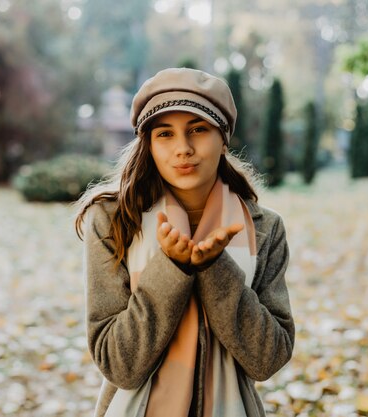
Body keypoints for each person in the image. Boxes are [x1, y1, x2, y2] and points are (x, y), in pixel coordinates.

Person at [75, 67, 294, 417]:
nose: (183, 148)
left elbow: (267, 359)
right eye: (165, 134)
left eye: (198, 129)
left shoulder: (265, 228)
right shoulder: (113, 221)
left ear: (223, 138)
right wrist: (172, 267)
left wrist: (215, 268)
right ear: (148, 143)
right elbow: (118, 364)